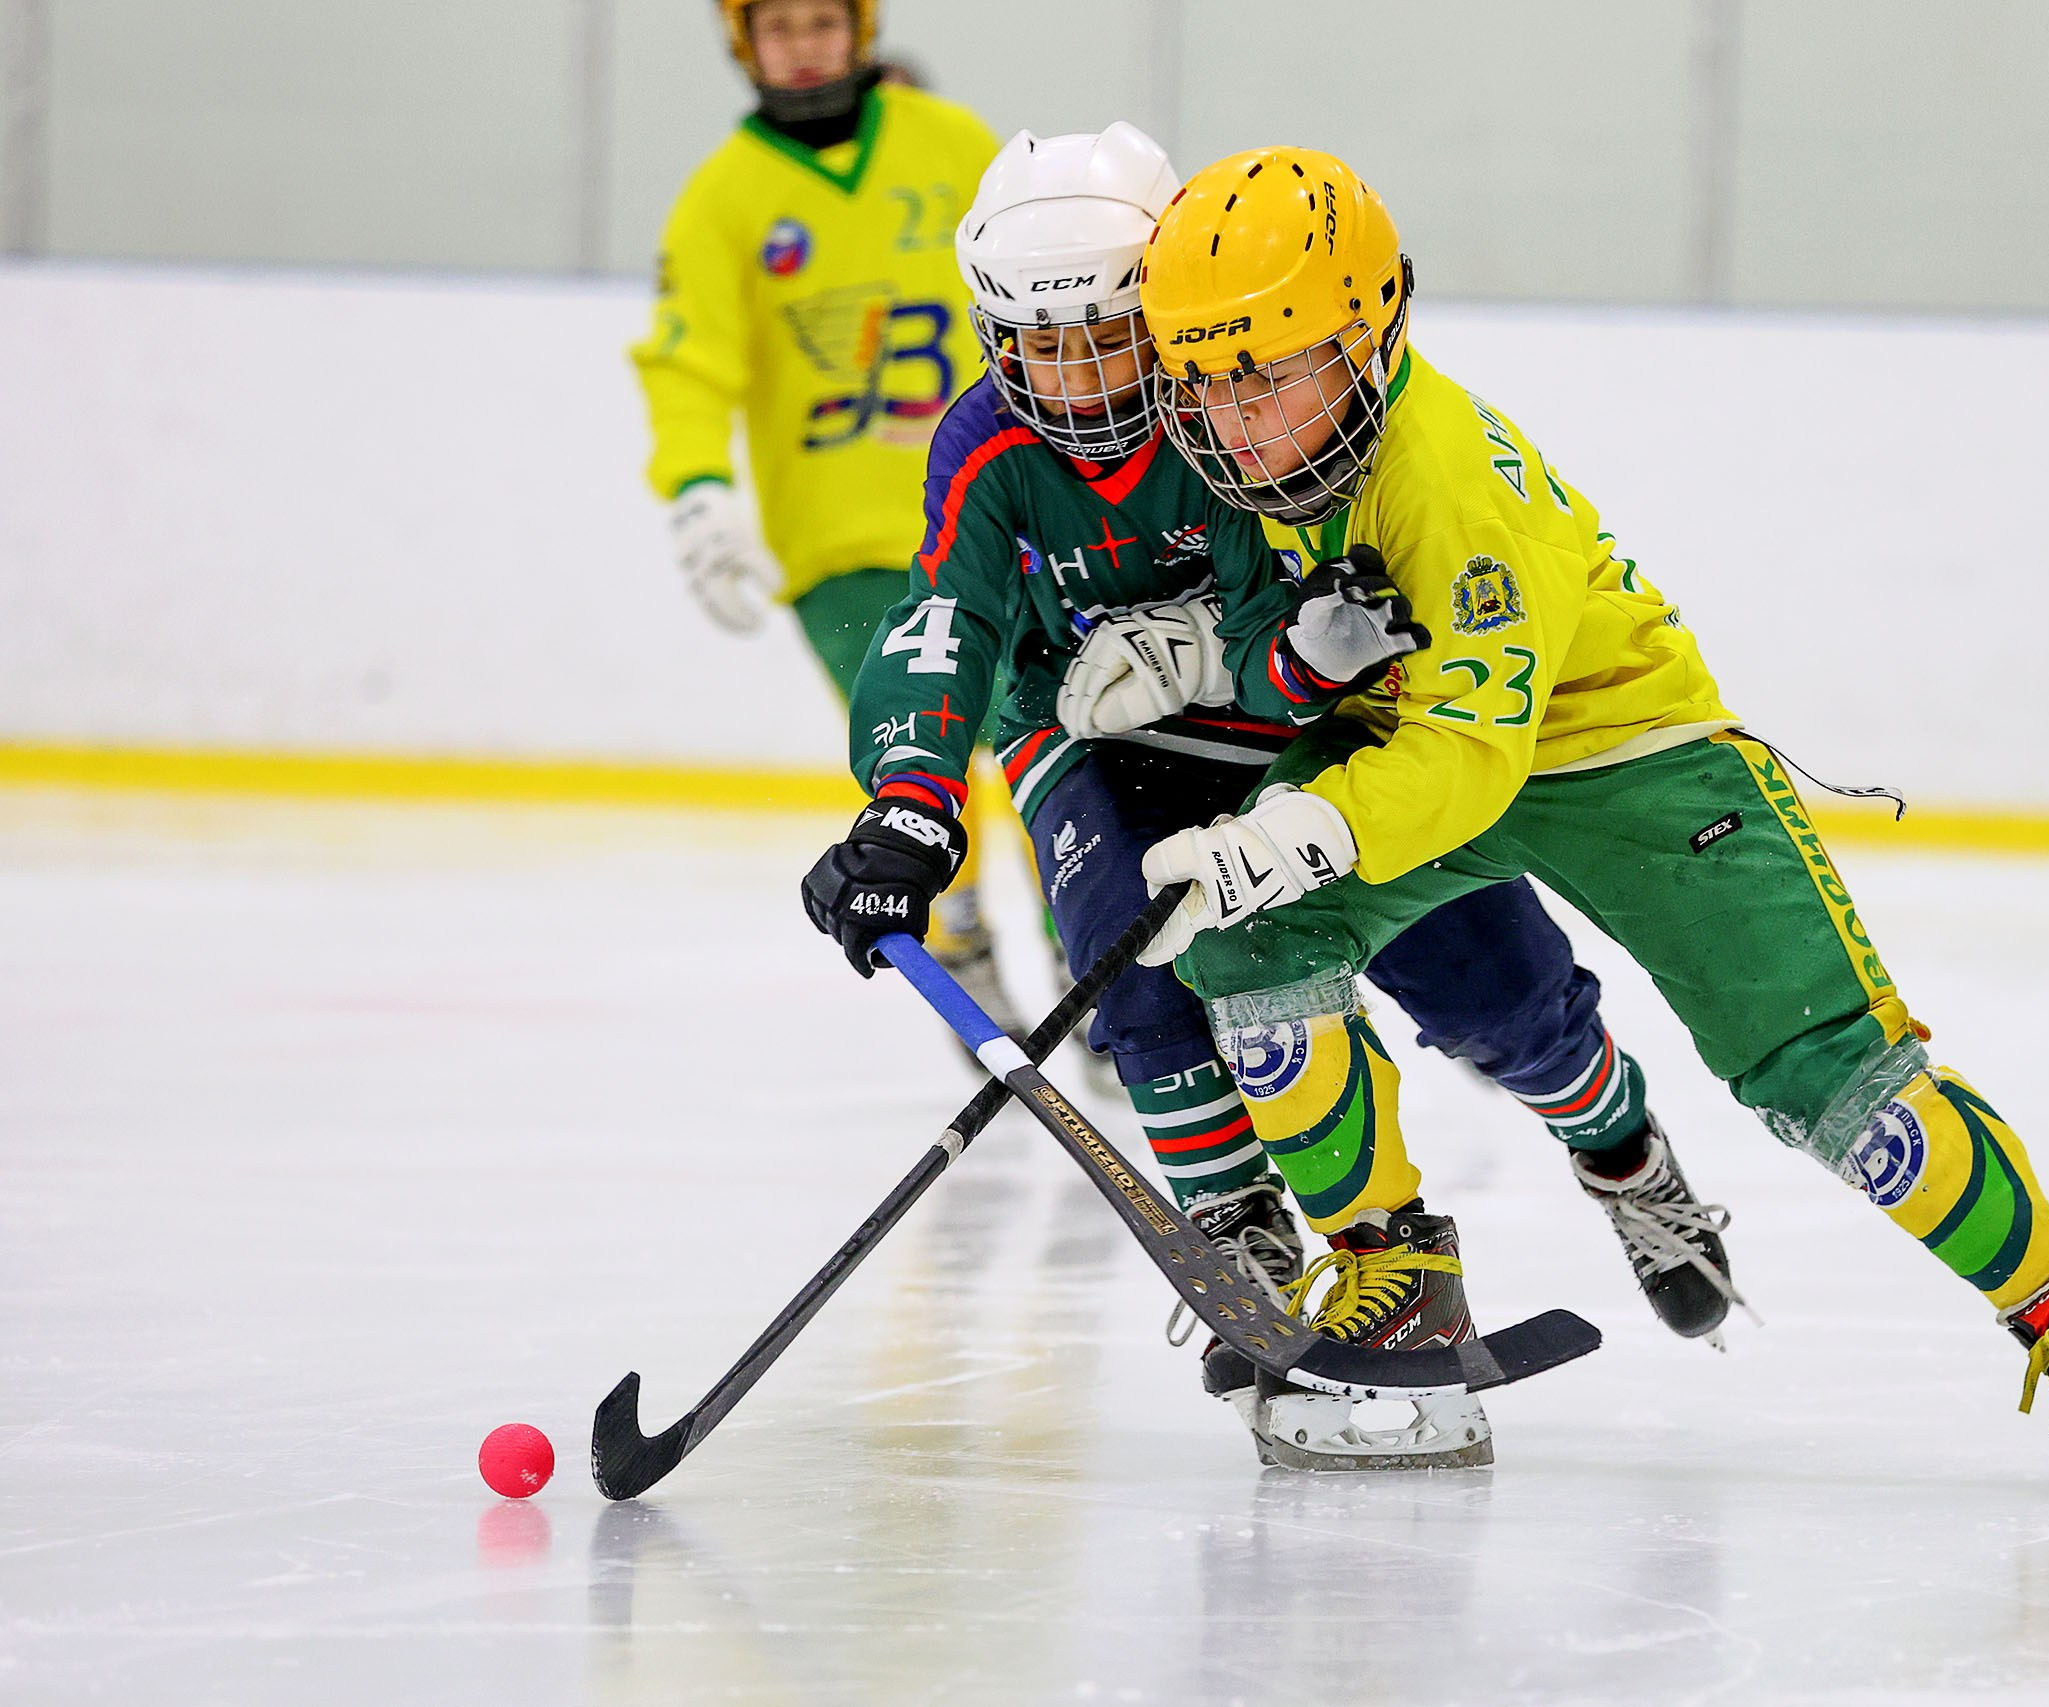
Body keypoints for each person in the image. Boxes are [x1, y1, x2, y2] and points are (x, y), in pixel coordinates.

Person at [1125, 147, 2049, 1500]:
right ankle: (1396, 1278)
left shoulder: (1445, 480)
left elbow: (1473, 759)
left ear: (1368, 333)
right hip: (1424, 746)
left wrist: (1275, 833)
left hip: (1630, 762)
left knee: (1841, 1088)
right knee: (1255, 949)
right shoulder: (1279, 466)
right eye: (1202, 378)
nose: (1233, 419)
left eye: (1268, 371)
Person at [799, 125, 1745, 1470]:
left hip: (1277, 735)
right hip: (1083, 743)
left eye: (1109, 335)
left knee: (1491, 983)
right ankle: (1242, 1240)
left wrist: (1245, 654)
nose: (1073, 383)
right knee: (1134, 977)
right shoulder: (983, 441)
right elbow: (943, 616)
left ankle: (1622, 1147)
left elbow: (1329, 619)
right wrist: (906, 804)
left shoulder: (1245, 400)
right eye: (1037, 345)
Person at [633, 0, 1026, 1021]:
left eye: (821, 19)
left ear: (859, 28)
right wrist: (696, 489)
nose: (802, 43)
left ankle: (1092, 962)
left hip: (990, 515)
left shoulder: (950, 144)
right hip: (839, 550)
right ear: (742, 44)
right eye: (778, 26)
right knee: (923, 752)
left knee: (1038, 738)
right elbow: (687, 359)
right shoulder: (723, 199)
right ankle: (960, 941)